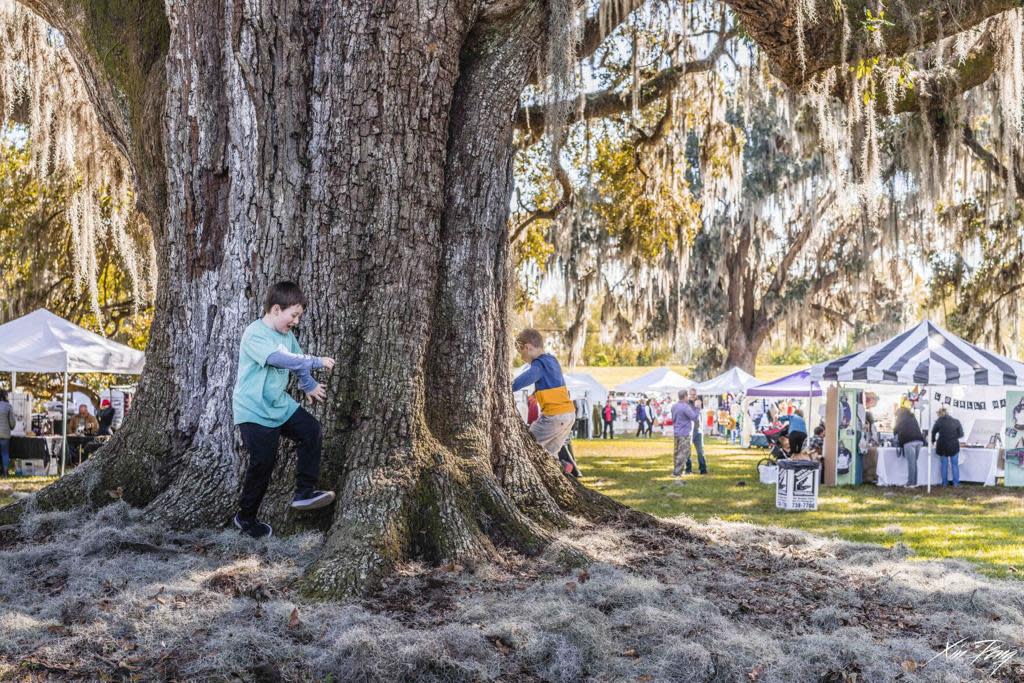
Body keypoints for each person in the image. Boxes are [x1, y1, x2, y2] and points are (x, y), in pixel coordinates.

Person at [232, 281, 337, 539]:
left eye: (299, 316)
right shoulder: (255, 333)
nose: (296, 322)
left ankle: (304, 492)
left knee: (311, 430)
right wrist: (316, 361)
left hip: (279, 405)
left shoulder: (288, 337)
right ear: (276, 309)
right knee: (262, 465)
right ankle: (245, 518)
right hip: (254, 409)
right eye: (294, 315)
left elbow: (297, 363)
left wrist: (309, 384)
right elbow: (280, 359)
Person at [511, 328, 577, 463]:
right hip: (568, 415)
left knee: (527, 443)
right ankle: (562, 470)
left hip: (554, 417)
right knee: (550, 455)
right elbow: (554, 381)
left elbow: (529, 377)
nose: (522, 358)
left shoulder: (539, 363)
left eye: (521, 353)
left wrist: (509, 386)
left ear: (527, 347)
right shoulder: (551, 360)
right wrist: (536, 394)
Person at [894, 406, 926, 488]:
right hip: (919, 441)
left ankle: (910, 483)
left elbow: (895, 430)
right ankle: (914, 482)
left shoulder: (900, 418)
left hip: (909, 441)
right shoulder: (913, 417)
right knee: (914, 463)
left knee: (911, 464)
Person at [931, 407, 964, 487]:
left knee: (944, 465)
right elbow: (961, 434)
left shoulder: (939, 421)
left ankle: (944, 483)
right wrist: (953, 436)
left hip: (942, 445)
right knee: (954, 464)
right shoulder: (956, 421)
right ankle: (956, 483)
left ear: (939, 414)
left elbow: (933, 432)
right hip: (954, 445)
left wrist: (933, 440)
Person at [670, 389, 699, 479]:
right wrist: (697, 408)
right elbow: (694, 417)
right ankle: (677, 473)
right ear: (685, 396)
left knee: (676, 452)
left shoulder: (674, 406)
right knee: (683, 453)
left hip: (676, 432)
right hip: (685, 433)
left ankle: (676, 470)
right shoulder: (685, 407)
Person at [687, 388, 707, 474]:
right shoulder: (686, 404)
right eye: (691, 394)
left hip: (698, 430)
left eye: (694, 394)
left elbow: (700, 414)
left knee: (700, 451)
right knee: (687, 451)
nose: (692, 396)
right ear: (688, 394)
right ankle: (688, 469)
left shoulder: (699, 402)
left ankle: (703, 469)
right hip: (689, 430)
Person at [0, 390, 14, 477]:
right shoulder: (8, 406)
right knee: (5, 453)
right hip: (5, 434)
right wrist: (12, 427)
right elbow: (12, 422)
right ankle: (5, 473)